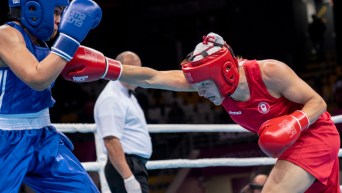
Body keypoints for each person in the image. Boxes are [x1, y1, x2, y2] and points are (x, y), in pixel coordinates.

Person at [61, 32, 340, 192]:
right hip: (288, 147)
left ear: (223, 74)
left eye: (205, 86)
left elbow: (318, 103)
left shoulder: (269, 72)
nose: (201, 93)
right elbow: (153, 77)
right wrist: (108, 69)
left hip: (314, 135)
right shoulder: (208, 83)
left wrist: (293, 122)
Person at [0, 0, 102, 192]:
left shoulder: (41, 43)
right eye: (55, 12)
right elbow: (37, 78)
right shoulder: (6, 34)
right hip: (5, 138)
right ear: (33, 9)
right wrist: (70, 39)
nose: (59, 20)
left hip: (42, 136)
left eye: (61, 13)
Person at [94, 51, 152, 193]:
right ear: (121, 69)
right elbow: (110, 141)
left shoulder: (127, 95)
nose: (139, 74)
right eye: (135, 70)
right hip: (124, 168)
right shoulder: (112, 98)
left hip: (133, 166)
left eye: (140, 69)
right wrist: (128, 178)